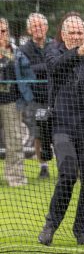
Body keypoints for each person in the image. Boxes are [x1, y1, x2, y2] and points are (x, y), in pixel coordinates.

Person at [38, 15, 84, 246]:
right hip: (62, 123)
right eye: (72, 33)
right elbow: (54, 68)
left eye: (81, 33)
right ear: (63, 34)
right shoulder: (54, 51)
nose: (77, 36)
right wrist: (77, 53)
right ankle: (50, 224)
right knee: (68, 174)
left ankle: (82, 231)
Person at [18, 13, 54, 179]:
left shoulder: (54, 45)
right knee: (39, 132)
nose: (38, 29)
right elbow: (28, 71)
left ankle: (64, 165)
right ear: (29, 29)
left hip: (56, 97)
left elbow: (56, 67)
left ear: (46, 28)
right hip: (36, 99)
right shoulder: (24, 49)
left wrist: (40, 68)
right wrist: (46, 67)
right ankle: (43, 166)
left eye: (41, 25)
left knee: (59, 130)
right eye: (34, 26)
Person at [0, 18, 28, 187]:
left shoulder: (15, 51)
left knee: (15, 141)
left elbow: (25, 71)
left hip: (10, 101)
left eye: (3, 31)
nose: (1, 34)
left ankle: (15, 177)